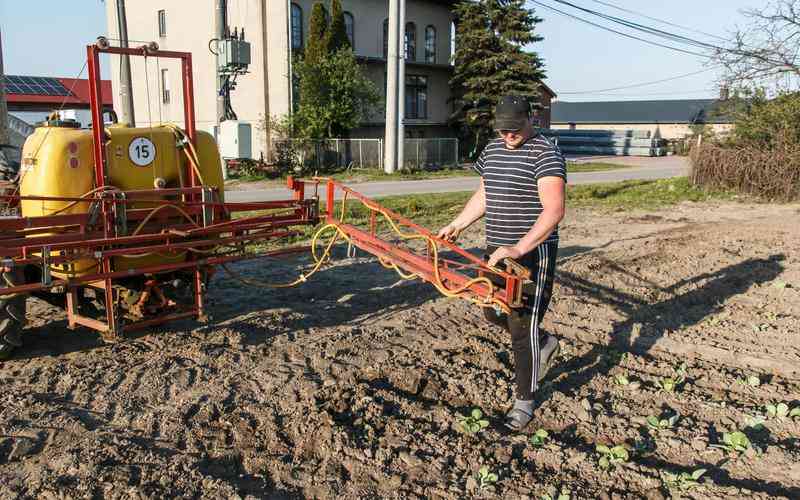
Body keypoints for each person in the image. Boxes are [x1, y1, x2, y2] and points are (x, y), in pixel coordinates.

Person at [438, 95, 566, 431]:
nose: (508, 136)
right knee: (491, 309)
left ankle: (525, 400)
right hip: (497, 250)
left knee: (521, 328)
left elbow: (554, 210)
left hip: (531, 255)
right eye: (503, 130)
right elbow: (485, 193)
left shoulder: (545, 152)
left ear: (530, 119)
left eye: (514, 129)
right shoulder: (493, 149)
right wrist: (458, 224)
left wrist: (518, 248)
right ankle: (546, 342)